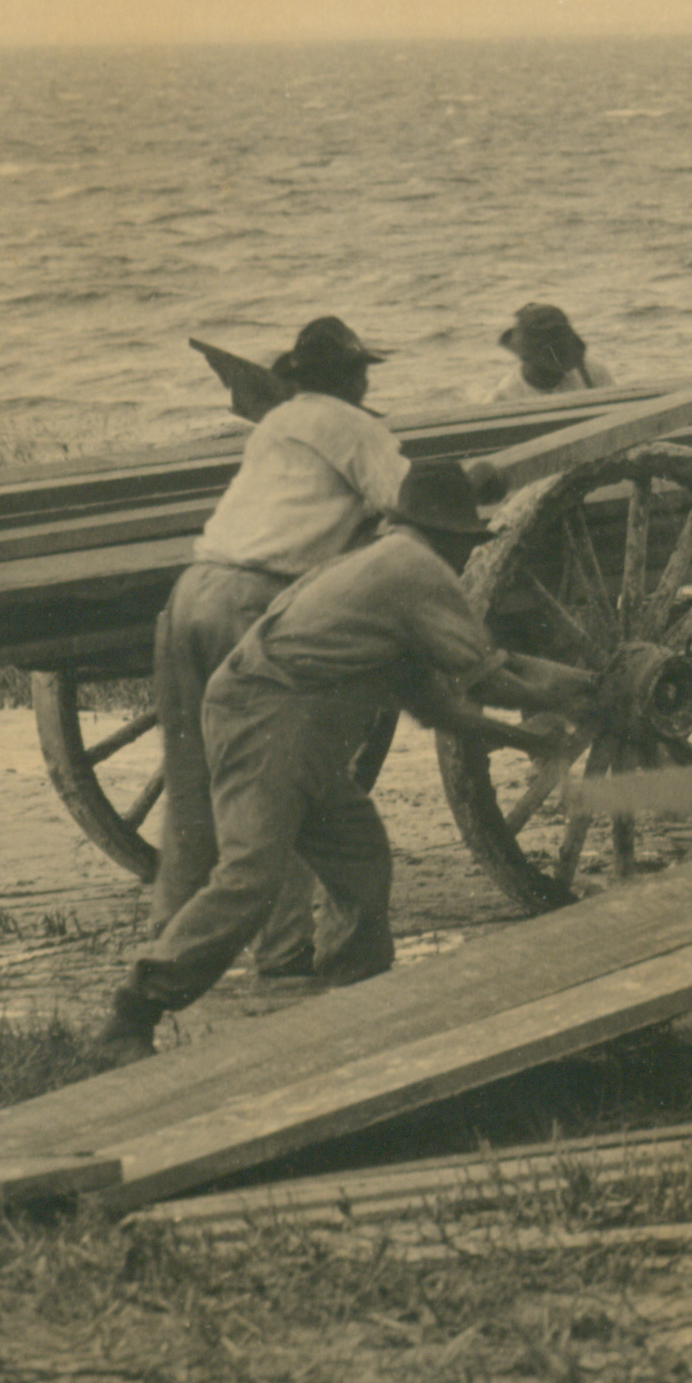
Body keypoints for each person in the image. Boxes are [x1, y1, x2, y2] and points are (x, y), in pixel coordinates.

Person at [92, 463, 594, 1052]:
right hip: (269, 723)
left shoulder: (382, 567)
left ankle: (353, 1004)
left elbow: (439, 708)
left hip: (298, 735)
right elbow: (491, 679)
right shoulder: (416, 571)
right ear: (453, 536)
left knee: (360, 858)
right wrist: (587, 694)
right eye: (466, 545)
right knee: (250, 878)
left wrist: (531, 737)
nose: (466, 560)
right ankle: (134, 1010)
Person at [150, 314, 415, 979]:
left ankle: (162, 941)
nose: (364, 380)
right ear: (353, 376)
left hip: (188, 595)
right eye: (362, 370)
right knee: (282, 777)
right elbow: (405, 503)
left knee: (190, 789)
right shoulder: (359, 427)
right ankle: (283, 951)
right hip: (252, 603)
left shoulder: (275, 422)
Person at [491, 302, 610, 401]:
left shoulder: (591, 372)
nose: (564, 371)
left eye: (564, 362)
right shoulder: (504, 397)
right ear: (527, 359)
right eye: (551, 366)